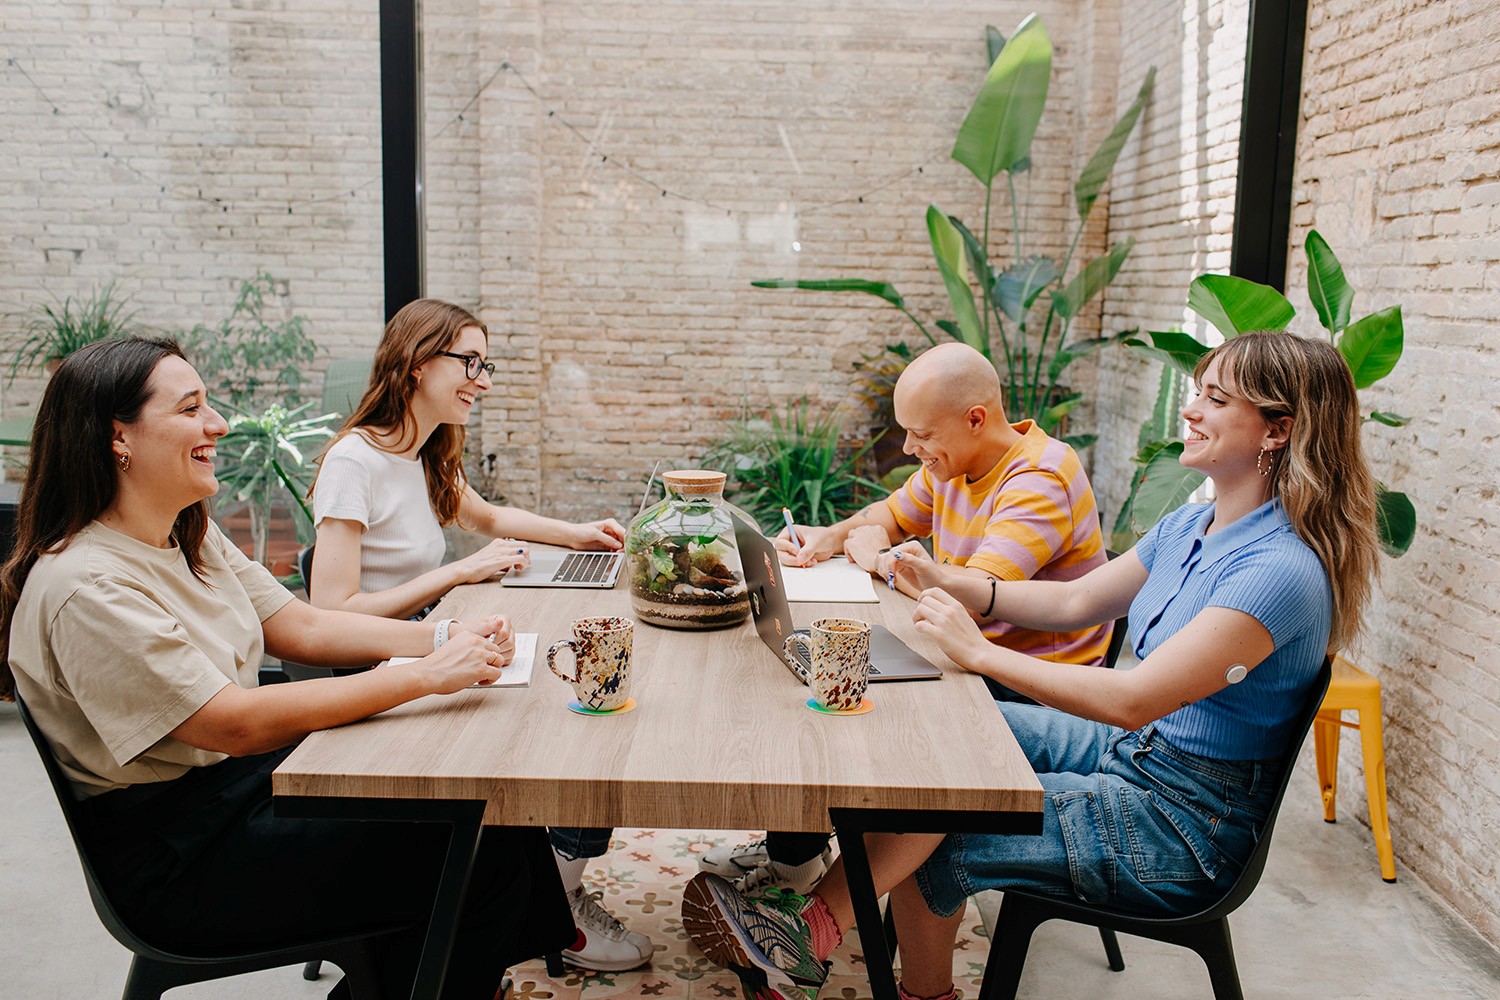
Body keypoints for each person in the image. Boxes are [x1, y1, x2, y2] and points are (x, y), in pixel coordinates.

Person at [681, 331, 1379, 1000]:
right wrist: (953, 584)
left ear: (1278, 430)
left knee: (945, 824)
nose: (1191, 410)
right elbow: (1076, 599)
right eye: (1199, 392)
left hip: (1187, 818)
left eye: (1217, 400)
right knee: (935, 740)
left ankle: (815, 939)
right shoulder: (1189, 525)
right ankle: (808, 924)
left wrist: (980, 650)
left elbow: (1135, 699)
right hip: (1138, 754)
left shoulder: (1279, 570)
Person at [1, 337, 573, 1000]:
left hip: (234, 794)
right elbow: (232, 724)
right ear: (117, 438)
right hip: (182, 855)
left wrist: (442, 637)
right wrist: (423, 675)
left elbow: (300, 625)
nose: (218, 424)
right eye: (191, 409)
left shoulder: (186, 529)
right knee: (475, 852)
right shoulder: (87, 585)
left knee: (489, 817)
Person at [307, 298, 650, 972]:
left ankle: (548, 897)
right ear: (414, 364)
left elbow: (488, 515)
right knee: (565, 718)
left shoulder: (425, 449)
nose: (482, 380)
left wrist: (577, 533)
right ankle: (555, 913)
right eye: (470, 361)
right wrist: (456, 572)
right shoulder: (355, 461)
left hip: (429, 644)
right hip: (381, 670)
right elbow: (333, 607)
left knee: (584, 698)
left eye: (484, 364)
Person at [699, 341, 1111, 895]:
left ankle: (804, 861)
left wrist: (877, 558)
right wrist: (826, 539)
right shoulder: (954, 462)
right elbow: (887, 516)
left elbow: (966, 597)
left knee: (846, 695)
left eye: (922, 433)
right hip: (964, 650)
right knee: (821, 667)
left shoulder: (1040, 477)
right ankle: (797, 849)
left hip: (1024, 680)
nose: (912, 447)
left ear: (975, 419)